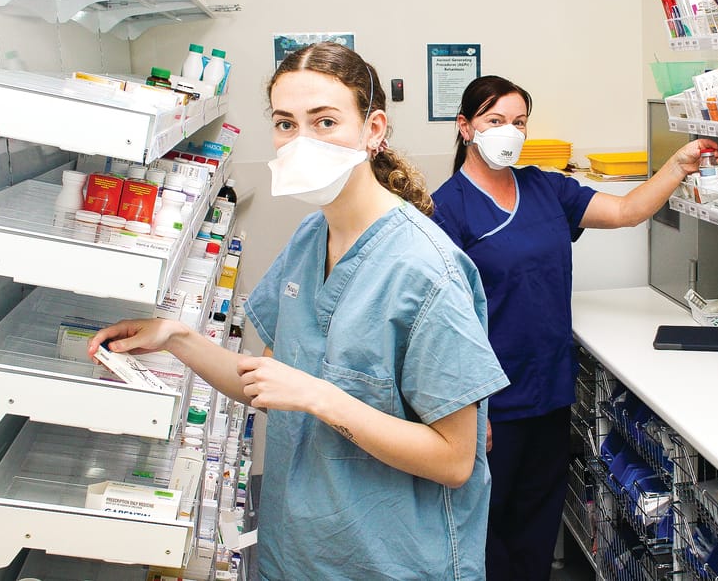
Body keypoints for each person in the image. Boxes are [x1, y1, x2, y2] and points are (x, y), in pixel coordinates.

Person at [88, 43, 509, 580]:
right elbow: (268, 384)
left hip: (392, 560)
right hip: (303, 551)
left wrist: (321, 398)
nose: (301, 140)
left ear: (373, 130)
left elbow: (454, 461)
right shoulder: (313, 237)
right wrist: (175, 338)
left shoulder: (426, 270)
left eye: (325, 121)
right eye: (285, 124)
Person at [430, 74, 717, 581]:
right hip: (490, 401)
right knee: (486, 529)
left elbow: (627, 210)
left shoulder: (545, 188)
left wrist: (676, 165)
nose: (509, 132)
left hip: (549, 388)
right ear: (466, 128)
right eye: (495, 121)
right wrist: (467, 407)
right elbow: (441, 321)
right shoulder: (446, 208)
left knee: (538, 524)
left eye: (518, 123)